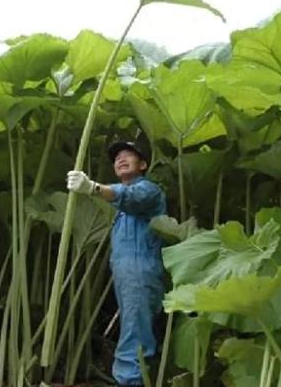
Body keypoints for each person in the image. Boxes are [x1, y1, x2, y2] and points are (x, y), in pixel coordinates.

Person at [66, 141, 166, 387]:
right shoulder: (120, 208)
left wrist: (92, 187)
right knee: (135, 327)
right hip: (127, 276)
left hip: (140, 274)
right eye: (117, 157)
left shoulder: (148, 190)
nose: (120, 159)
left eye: (128, 156)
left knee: (135, 331)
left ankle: (130, 382)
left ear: (143, 165)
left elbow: (128, 196)